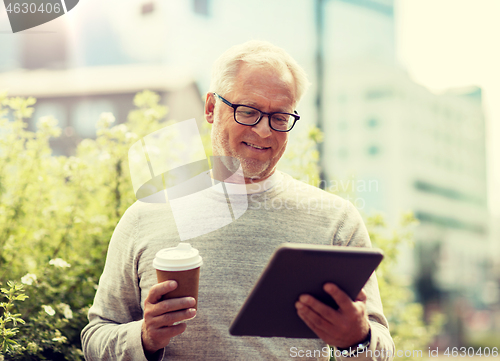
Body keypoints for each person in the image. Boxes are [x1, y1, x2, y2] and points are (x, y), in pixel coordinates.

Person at [81, 40, 395, 360]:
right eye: (248, 111)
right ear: (210, 109)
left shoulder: (335, 221)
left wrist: (355, 341)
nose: (263, 131)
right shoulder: (145, 216)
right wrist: (144, 338)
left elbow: (381, 349)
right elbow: (95, 337)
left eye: (280, 117)